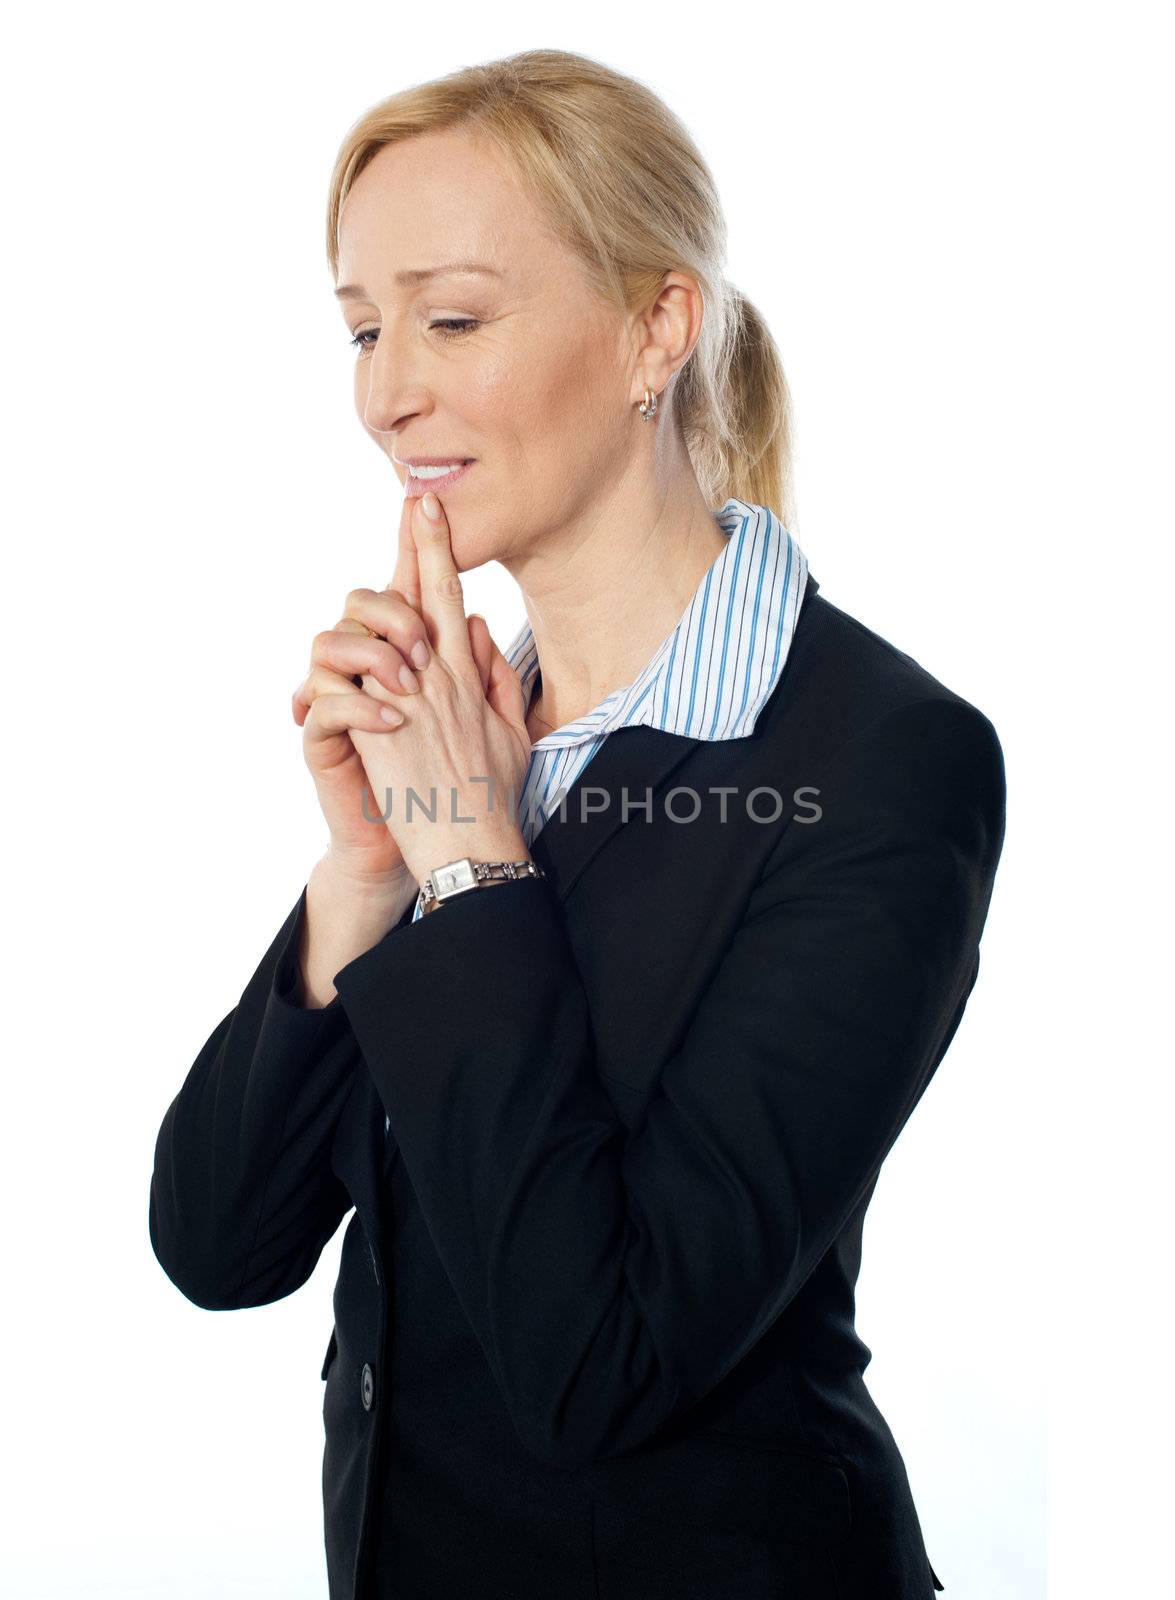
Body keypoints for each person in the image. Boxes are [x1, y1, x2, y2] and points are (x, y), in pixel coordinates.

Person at [148, 47, 1005, 1600]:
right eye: (361, 327)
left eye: (452, 317)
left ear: (654, 331)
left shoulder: (882, 763)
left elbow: (599, 1365)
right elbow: (220, 1245)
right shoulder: (474, 735)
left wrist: (474, 865)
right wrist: (367, 874)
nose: (386, 389)